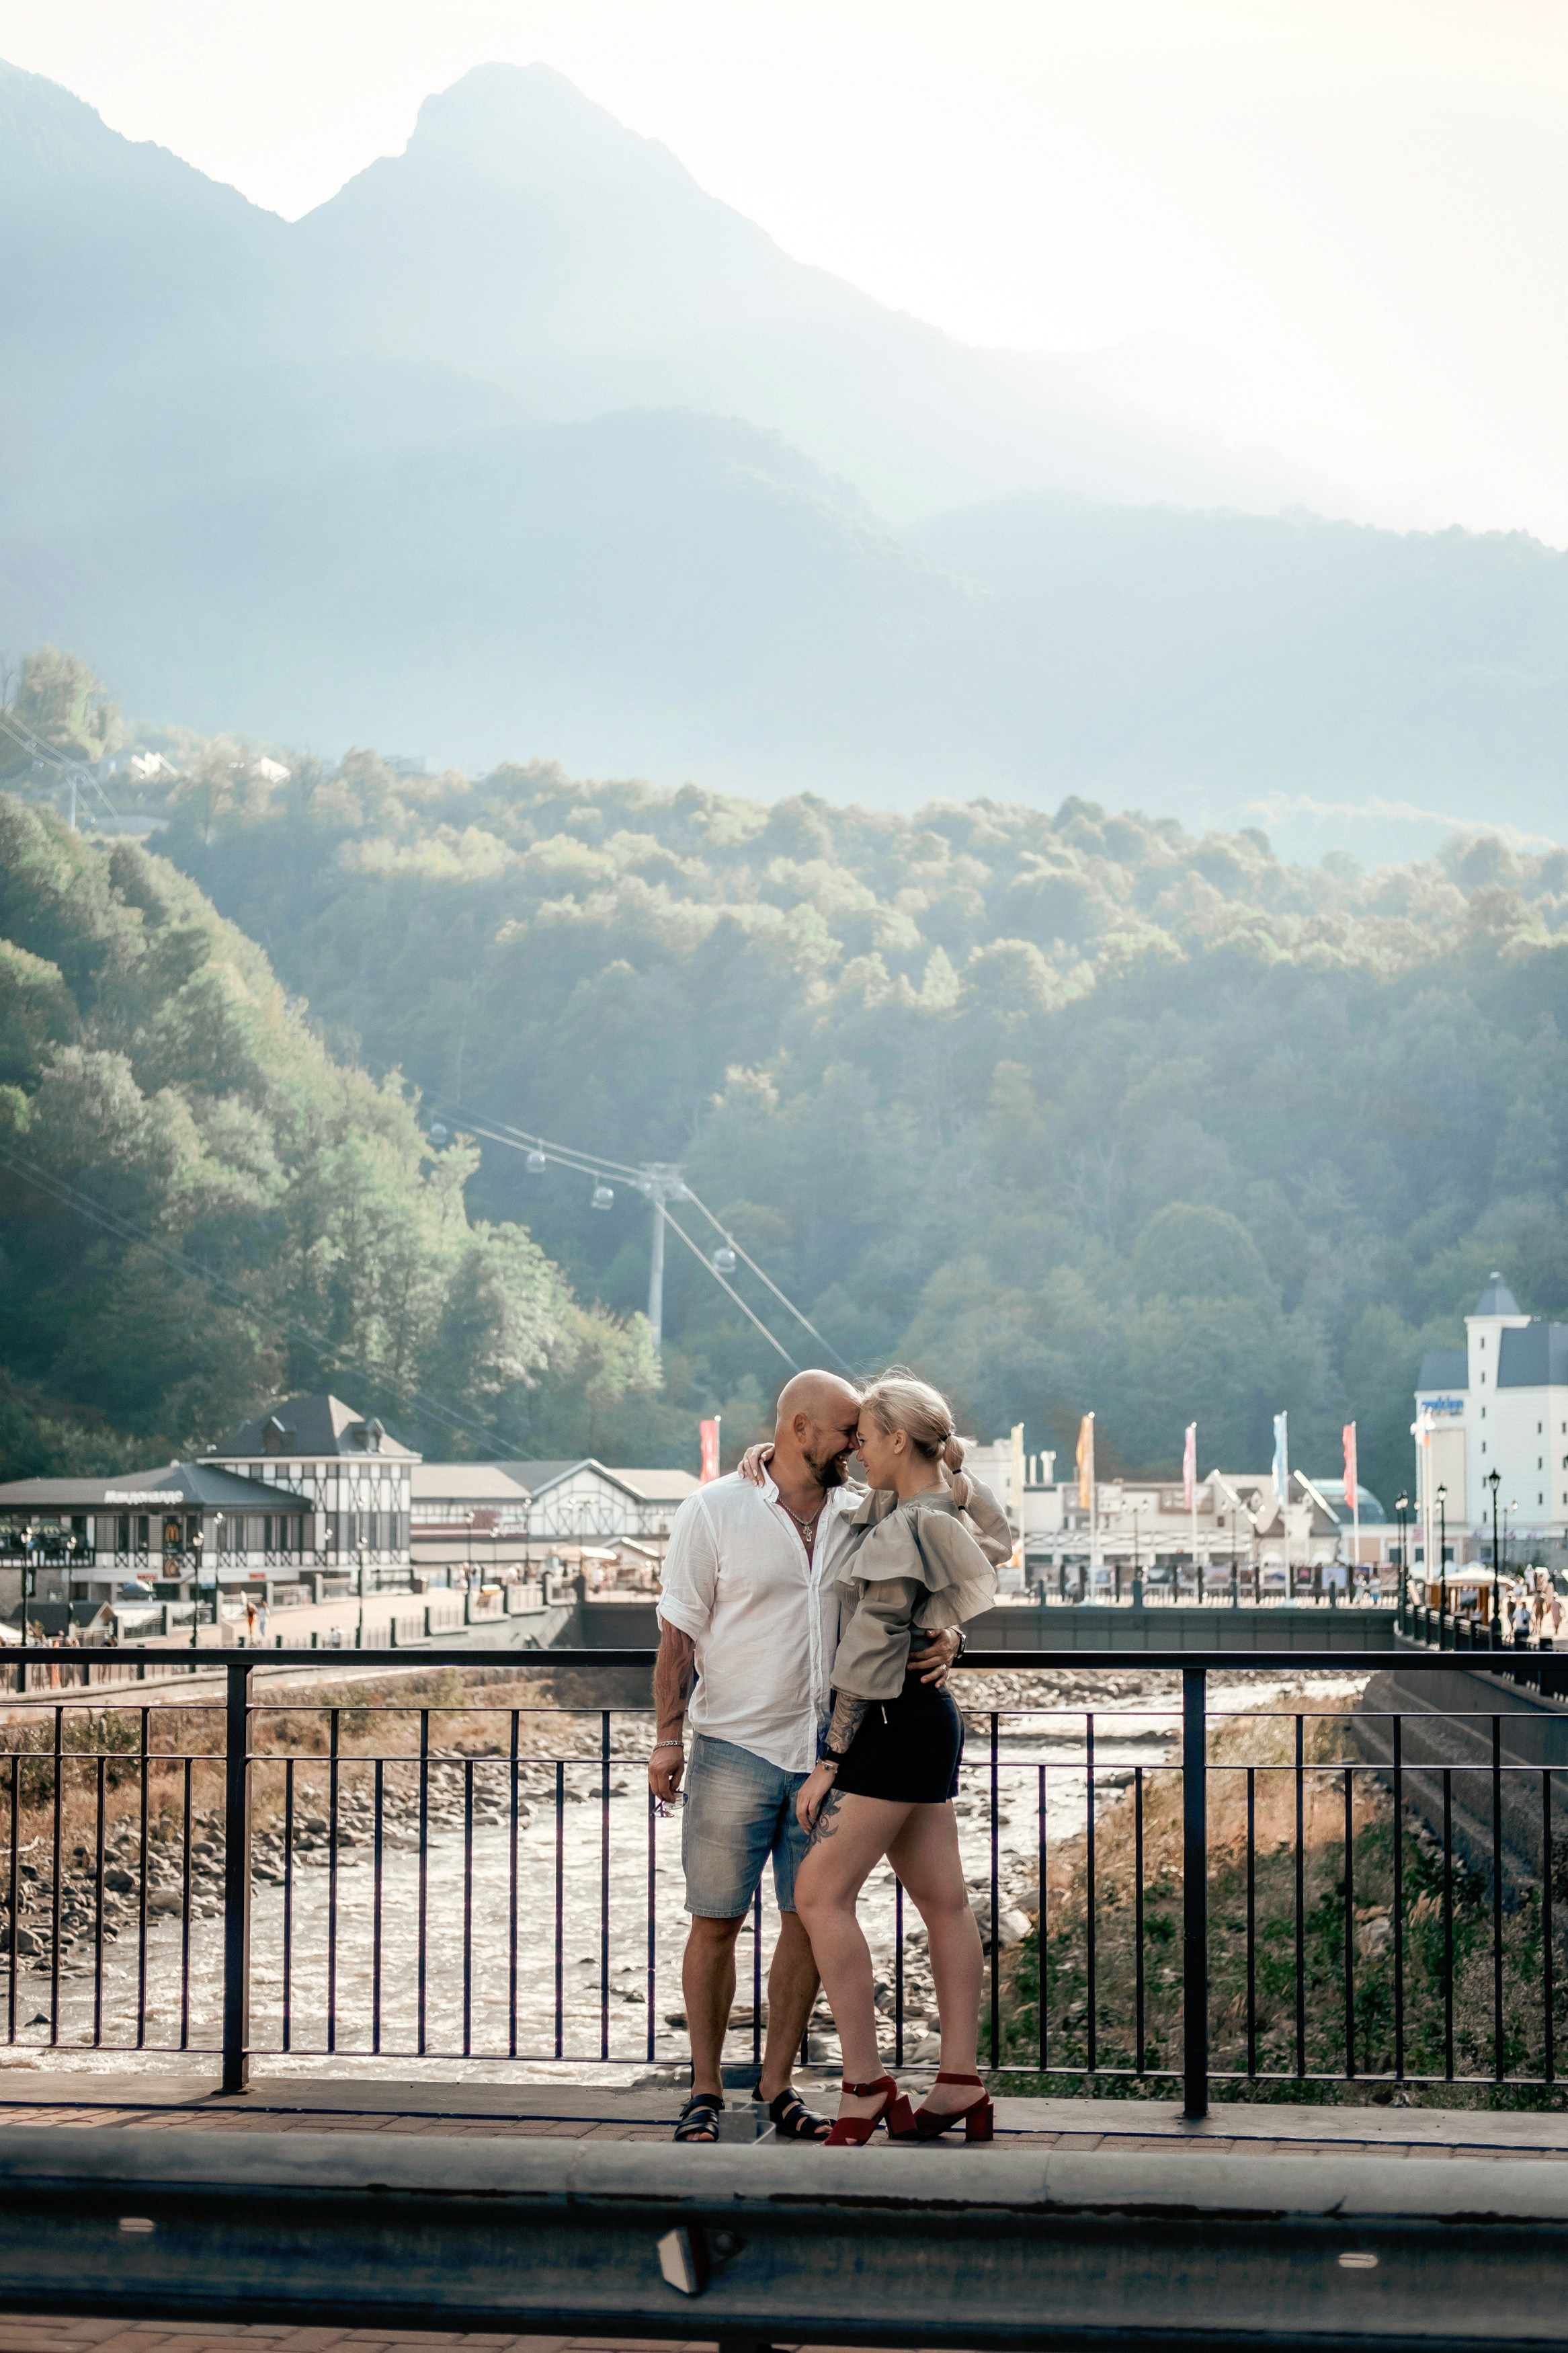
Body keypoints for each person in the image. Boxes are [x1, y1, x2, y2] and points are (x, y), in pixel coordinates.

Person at [650, 1369, 961, 2145]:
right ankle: (702, 2088)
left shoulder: (866, 1512)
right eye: (842, 1431)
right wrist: (665, 1735)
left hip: (832, 1751)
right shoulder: (713, 1509)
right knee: (715, 1921)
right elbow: (677, 1636)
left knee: (805, 1922)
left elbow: (932, 1560)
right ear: (796, 1430)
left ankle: (778, 2085)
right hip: (731, 1748)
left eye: (864, 1433)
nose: (856, 1445)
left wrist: (954, 1633)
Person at [789, 1372, 1009, 2148]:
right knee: (943, 1901)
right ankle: (958, 2081)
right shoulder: (931, 1510)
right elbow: (998, 1536)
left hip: (886, 1721)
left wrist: (828, 1760)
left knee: (817, 1892)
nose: (853, 1447)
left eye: (863, 1435)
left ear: (891, 1439)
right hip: (926, 1721)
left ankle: (863, 2082)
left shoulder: (898, 1527)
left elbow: (867, 1650)